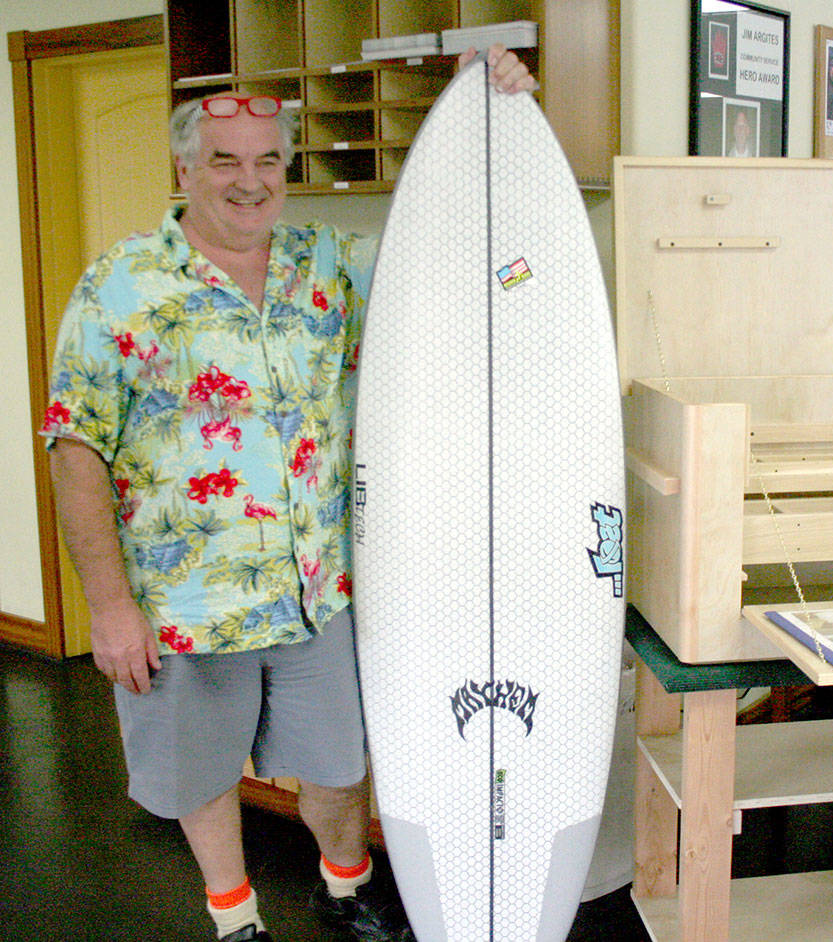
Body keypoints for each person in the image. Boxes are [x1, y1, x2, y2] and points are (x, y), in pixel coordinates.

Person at [40, 45, 535, 942]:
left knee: (340, 765)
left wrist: (478, 107)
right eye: (225, 161)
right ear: (184, 168)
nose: (249, 180)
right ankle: (235, 918)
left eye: (268, 159)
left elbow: (452, 250)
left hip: (318, 594)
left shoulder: (332, 268)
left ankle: (344, 888)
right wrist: (107, 607)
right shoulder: (121, 286)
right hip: (184, 602)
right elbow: (76, 449)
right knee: (200, 775)